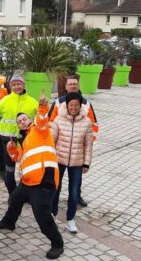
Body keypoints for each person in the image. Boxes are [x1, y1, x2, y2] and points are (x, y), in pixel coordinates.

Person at [0, 91, 64, 260]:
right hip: (28, 182)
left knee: (42, 216)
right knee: (15, 199)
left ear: (30, 120)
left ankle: (57, 244)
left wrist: (42, 107)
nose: (21, 122)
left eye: (24, 119)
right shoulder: (25, 139)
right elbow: (18, 158)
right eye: (19, 121)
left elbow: (42, 119)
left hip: (43, 181)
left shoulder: (39, 130)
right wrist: (12, 149)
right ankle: (9, 222)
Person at [49, 74, 99, 207]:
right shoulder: (58, 103)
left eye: (74, 84)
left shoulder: (87, 104)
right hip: (61, 150)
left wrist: (86, 144)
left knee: (76, 181)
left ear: (78, 86)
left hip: (77, 150)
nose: (72, 86)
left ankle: (77, 196)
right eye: (70, 84)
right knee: (56, 180)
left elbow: (93, 124)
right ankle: (52, 201)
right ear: (65, 86)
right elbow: (50, 123)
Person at [50, 92, 93, 233]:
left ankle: (70, 220)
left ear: (80, 106)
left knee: (74, 192)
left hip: (77, 162)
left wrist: (86, 163)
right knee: (55, 188)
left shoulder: (86, 122)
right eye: (71, 105)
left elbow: (88, 145)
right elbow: (52, 141)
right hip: (59, 160)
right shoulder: (58, 119)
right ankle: (53, 214)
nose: (73, 108)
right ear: (66, 105)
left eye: (76, 105)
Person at [0, 74, 38, 194]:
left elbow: (38, 120)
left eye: (19, 84)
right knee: (9, 169)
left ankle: (26, 193)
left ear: (23, 85)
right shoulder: (4, 101)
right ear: (10, 86)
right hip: (8, 140)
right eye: (14, 84)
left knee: (28, 167)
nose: (17, 86)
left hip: (26, 140)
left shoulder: (33, 102)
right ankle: (12, 194)